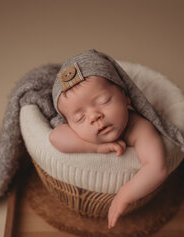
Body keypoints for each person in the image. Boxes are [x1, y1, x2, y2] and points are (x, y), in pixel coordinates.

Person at [49, 74, 168, 229]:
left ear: (126, 97)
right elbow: (55, 137)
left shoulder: (139, 128)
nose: (94, 116)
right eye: (80, 118)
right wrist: (96, 148)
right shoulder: (74, 132)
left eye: (103, 101)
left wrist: (124, 195)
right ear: (69, 124)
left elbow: (157, 167)